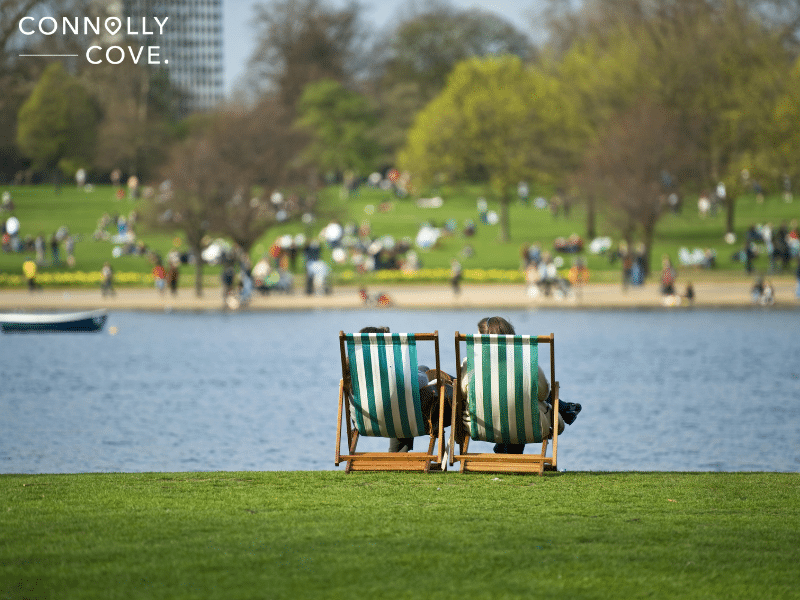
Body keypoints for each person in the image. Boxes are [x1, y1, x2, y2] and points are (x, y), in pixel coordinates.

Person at [459, 316, 580, 455]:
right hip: (528, 427)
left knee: (512, 404)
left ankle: (503, 451)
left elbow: (463, 393)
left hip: (480, 426)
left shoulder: (471, 365)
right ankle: (565, 408)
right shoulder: (527, 365)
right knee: (523, 406)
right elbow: (544, 394)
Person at [343, 326, 452, 455]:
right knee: (409, 396)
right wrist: (424, 374)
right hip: (402, 418)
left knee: (399, 401)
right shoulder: (390, 366)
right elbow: (419, 382)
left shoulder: (354, 366)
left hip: (365, 422)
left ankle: (397, 452)